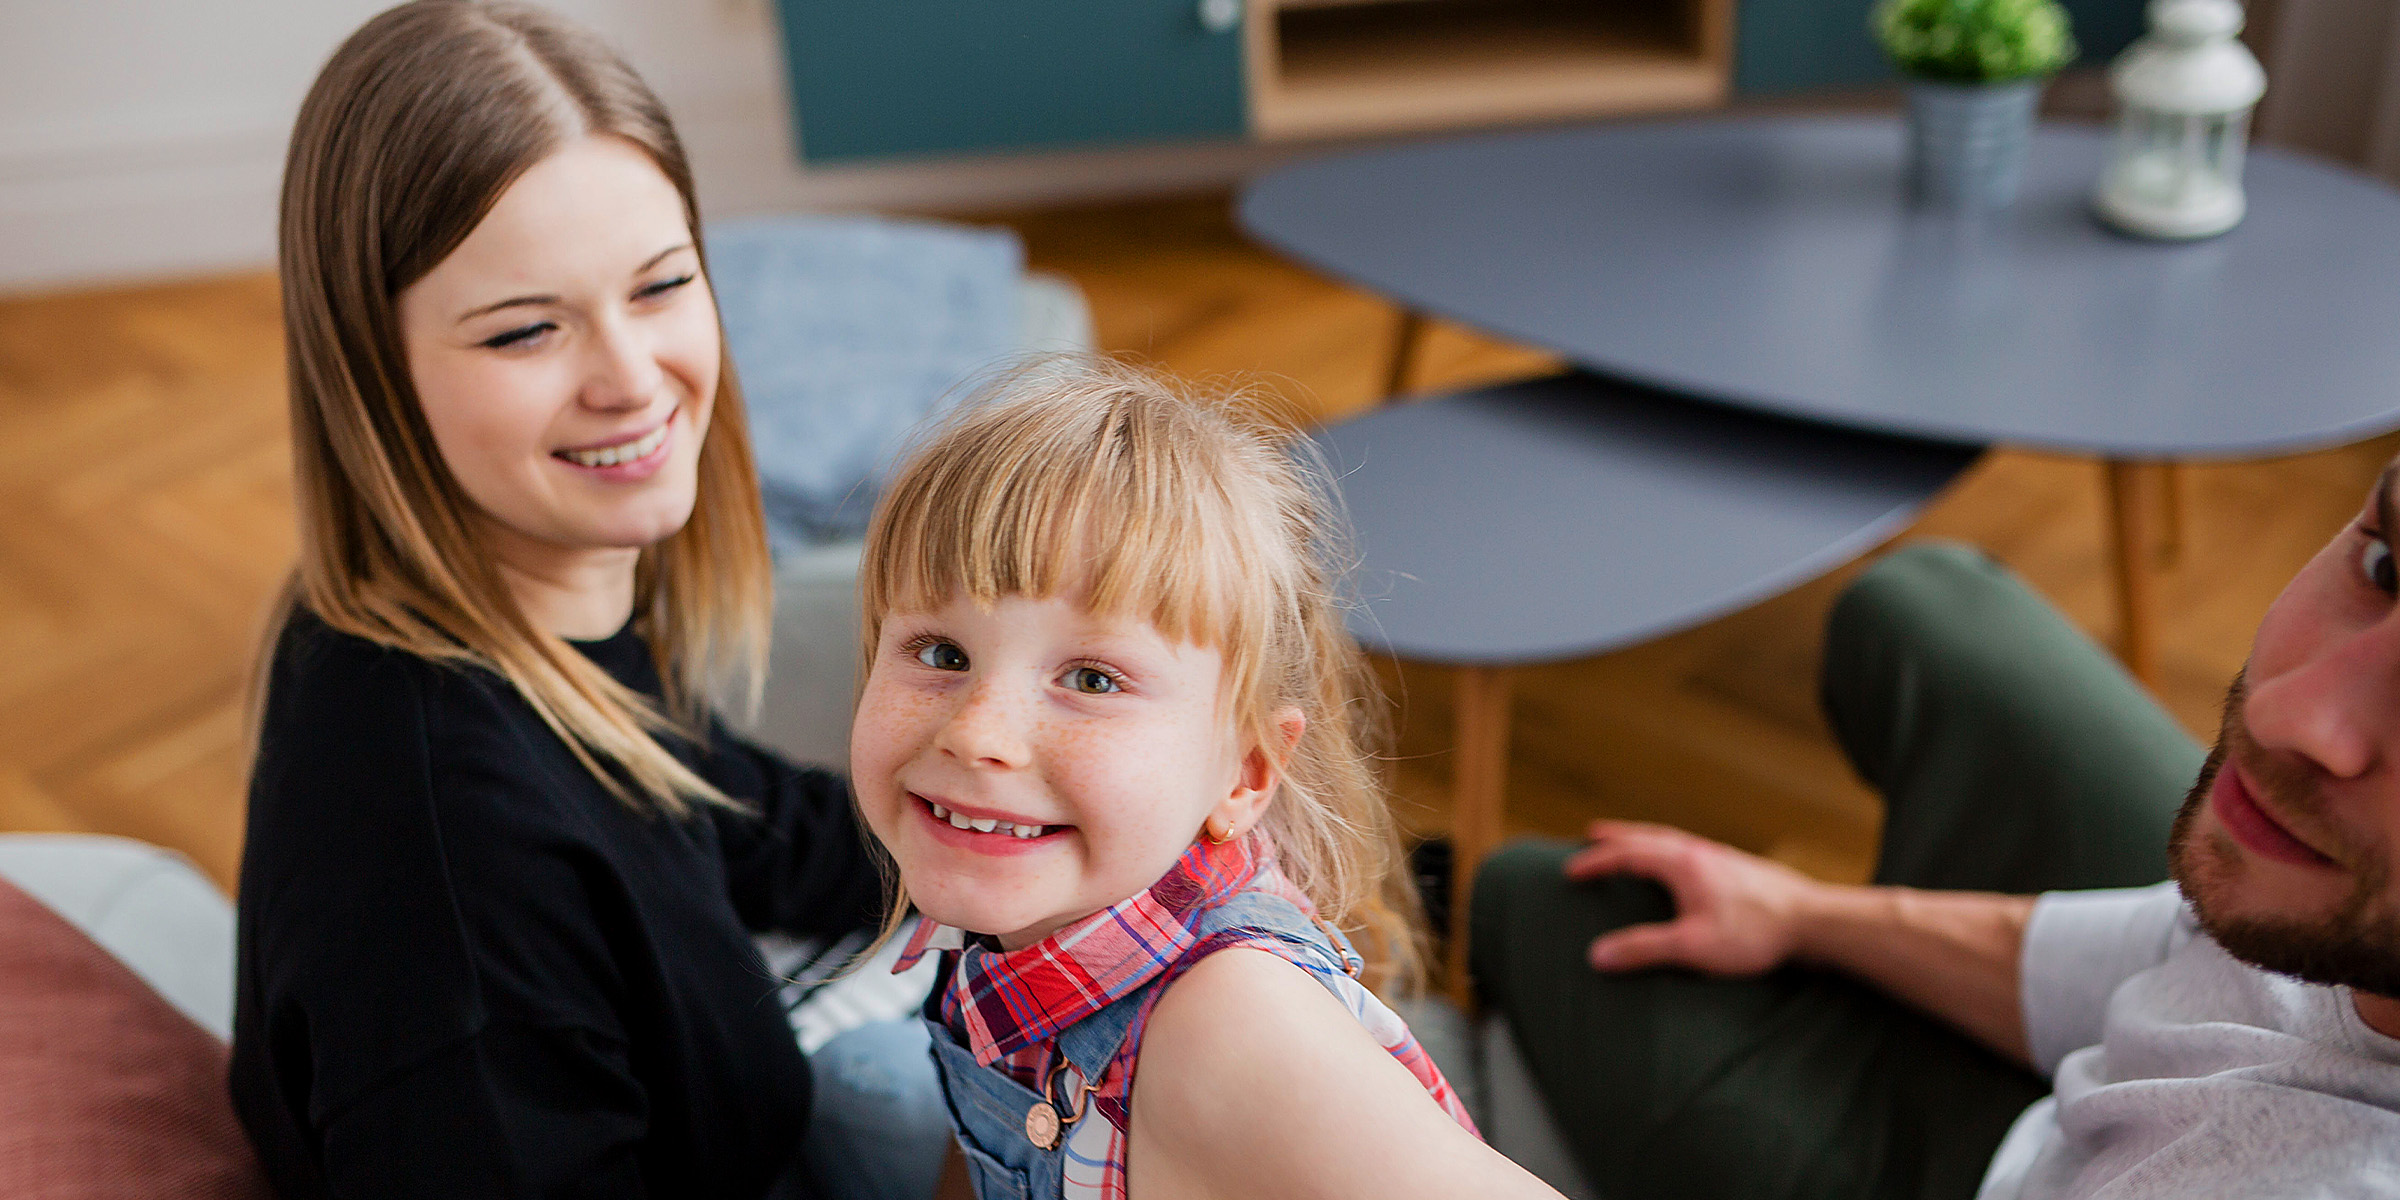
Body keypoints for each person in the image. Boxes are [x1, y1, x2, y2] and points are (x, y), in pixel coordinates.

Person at [229, 4, 946, 1197]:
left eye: (661, 285)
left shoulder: (497, 608)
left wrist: (1005, 831)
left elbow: (710, 801)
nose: (631, 379)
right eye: (525, 332)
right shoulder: (449, 863)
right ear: (376, 376)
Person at [1472, 463, 2400, 1198]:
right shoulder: (2318, 896)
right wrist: (1804, 915)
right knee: (1921, 600)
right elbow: (2181, 947)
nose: (2288, 711)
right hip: (2101, 1094)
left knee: (1536, 899)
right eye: (2385, 567)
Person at [841, 361, 1562, 1200]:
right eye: (941, 654)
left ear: (1247, 773)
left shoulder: (1229, 1029)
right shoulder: (1009, 913)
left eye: (1092, 679)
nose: (977, 734)